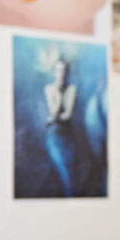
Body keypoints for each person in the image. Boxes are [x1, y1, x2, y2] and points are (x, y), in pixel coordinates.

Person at [44, 57, 77, 197]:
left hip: (68, 135)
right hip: (53, 136)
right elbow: (54, 110)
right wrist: (58, 92)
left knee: (70, 169)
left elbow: (68, 114)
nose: (61, 74)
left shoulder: (72, 88)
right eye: (58, 70)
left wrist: (52, 119)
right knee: (63, 171)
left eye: (64, 70)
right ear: (54, 72)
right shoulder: (49, 88)